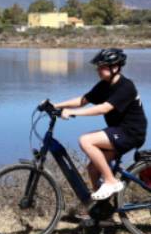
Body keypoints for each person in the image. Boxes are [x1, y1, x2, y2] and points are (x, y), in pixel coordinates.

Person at [53, 48, 147, 201]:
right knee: (92, 169)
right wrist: (56, 105)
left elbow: (104, 108)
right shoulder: (104, 85)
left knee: (86, 140)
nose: (98, 70)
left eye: (102, 66)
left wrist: (72, 112)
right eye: (98, 67)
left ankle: (111, 181)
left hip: (130, 133)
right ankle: (101, 211)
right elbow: (83, 100)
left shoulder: (126, 86)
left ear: (115, 67)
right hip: (118, 131)